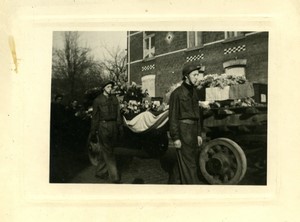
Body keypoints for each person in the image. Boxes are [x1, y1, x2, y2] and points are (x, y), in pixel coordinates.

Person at [169, 63, 203, 184]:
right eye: (194, 75)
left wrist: (199, 134)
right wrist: (176, 137)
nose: (196, 78)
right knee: (190, 163)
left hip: (193, 131)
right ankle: (192, 188)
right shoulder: (177, 94)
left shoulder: (194, 92)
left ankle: (174, 184)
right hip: (184, 130)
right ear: (186, 76)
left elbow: (197, 115)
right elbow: (173, 117)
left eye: (197, 75)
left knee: (185, 159)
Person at [90, 80, 122, 183]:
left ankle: (100, 172)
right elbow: (95, 118)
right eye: (108, 87)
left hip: (113, 126)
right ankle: (115, 176)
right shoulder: (97, 100)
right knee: (109, 152)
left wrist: (119, 127)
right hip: (103, 126)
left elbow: (118, 114)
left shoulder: (115, 99)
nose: (110, 89)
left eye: (111, 87)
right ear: (104, 88)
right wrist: (93, 132)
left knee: (108, 150)